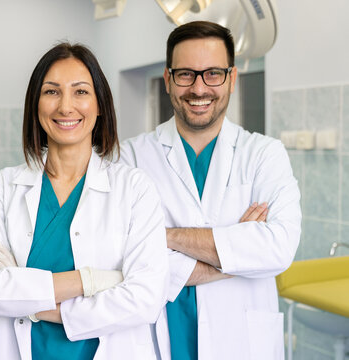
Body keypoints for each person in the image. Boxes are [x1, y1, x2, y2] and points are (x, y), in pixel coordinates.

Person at [0, 42, 167, 360]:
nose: (66, 107)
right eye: (52, 92)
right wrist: (92, 280)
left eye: (81, 92)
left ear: (100, 105)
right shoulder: (5, 186)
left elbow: (145, 299)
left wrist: (30, 299)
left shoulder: (134, 189)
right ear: (35, 104)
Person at [120, 21, 302, 360]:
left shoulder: (264, 154)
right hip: (158, 334)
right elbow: (122, 251)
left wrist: (163, 236)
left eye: (213, 73)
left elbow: (279, 248)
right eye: (186, 74)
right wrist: (238, 252)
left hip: (241, 340)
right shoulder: (130, 156)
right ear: (168, 79)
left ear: (232, 78)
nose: (199, 88)